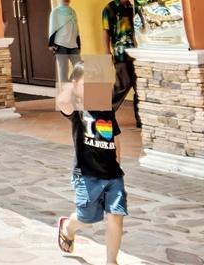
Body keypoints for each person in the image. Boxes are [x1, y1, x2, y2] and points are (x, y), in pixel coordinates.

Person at [56, 62, 126, 264]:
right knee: (87, 218)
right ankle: (68, 227)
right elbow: (62, 102)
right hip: (86, 174)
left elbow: (115, 138)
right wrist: (70, 85)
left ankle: (111, 261)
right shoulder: (77, 111)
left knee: (115, 216)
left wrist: (118, 167)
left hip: (112, 174)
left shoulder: (106, 109)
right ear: (76, 86)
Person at [102, 0, 141, 126]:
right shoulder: (109, 8)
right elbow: (105, 31)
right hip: (121, 53)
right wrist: (107, 51)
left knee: (140, 87)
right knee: (123, 85)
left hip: (137, 53)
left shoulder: (133, 7)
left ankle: (141, 120)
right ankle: (104, 114)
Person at [48, 0, 82, 80]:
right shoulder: (55, 12)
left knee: (80, 67)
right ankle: (65, 92)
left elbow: (76, 29)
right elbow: (52, 28)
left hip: (73, 44)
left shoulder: (72, 11)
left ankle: (69, 86)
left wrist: (78, 44)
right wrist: (51, 44)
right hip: (60, 44)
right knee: (64, 70)